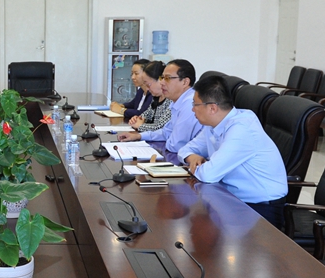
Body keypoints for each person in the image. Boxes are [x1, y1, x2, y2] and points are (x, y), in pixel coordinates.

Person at [177, 76, 288, 227]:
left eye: (195, 104)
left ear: (212, 108)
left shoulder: (242, 129)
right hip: (230, 198)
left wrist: (200, 166)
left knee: (196, 224)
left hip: (259, 209)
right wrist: (192, 157)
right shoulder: (214, 124)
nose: (192, 109)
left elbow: (208, 175)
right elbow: (185, 150)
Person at [117, 59, 202, 154]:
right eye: (162, 78)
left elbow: (175, 145)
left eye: (167, 78)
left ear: (185, 82)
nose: (162, 82)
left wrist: (167, 138)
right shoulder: (177, 101)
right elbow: (166, 132)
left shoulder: (190, 103)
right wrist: (138, 136)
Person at [129, 61, 171, 132]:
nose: (147, 89)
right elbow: (146, 115)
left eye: (148, 85)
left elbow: (161, 127)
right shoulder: (156, 98)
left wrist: (140, 126)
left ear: (160, 81)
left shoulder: (171, 100)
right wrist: (136, 119)